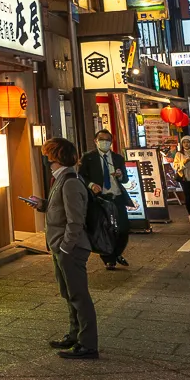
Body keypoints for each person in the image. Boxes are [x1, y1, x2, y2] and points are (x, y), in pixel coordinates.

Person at [41, 138, 98, 359]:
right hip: (61, 246)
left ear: (57, 158)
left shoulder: (71, 181)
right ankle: (74, 334)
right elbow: (60, 209)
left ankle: (88, 343)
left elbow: (75, 220)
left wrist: (65, 248)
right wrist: (42, 205)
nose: (47, 161)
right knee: (69, 293)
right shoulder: (62, 179)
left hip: (70, 248)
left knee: (79, 295)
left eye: (49, 157)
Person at [77, 130, 133, 270]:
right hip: (100, 199)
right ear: (96, 141)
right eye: (101, 139)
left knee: (123, 229)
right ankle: (109, 259)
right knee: (103, 230)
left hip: (117, 197)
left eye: (108, 139)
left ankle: (116, 253)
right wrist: (91, 185)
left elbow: (125, 179)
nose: (105, 141)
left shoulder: (118, 158)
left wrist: (120, 175)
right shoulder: (88, 157)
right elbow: (81, 176)